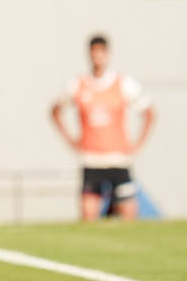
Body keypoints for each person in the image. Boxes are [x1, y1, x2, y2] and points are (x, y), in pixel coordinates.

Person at [50, 35, 155, 221]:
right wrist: (72, 140)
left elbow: (149, 113)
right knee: (88, 218)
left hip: (118, 160)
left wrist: (137, 144)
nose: (97, 56)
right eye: (94, 52)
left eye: (101, 52)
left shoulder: (123, 83)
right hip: (92, 161)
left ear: (107, 54)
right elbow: (56, 110)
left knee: (130, 217)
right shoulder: (78, 84)